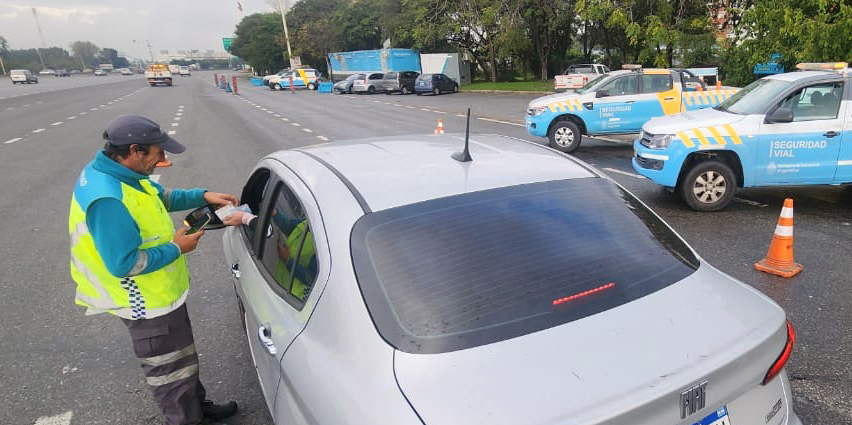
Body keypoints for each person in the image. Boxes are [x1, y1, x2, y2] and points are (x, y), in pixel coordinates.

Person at [68, 115, 239, 425]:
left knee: (181, 360)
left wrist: (202, 196)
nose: (164, 160)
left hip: (160, 294)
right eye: (158, 153)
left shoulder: (118, 173)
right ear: (135, 150)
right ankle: (186, 419)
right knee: (169, 372)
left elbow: (158, 196)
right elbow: (125, 263)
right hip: (143, 302)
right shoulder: (107, 199)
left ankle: (198, 407)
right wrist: (177, 247)